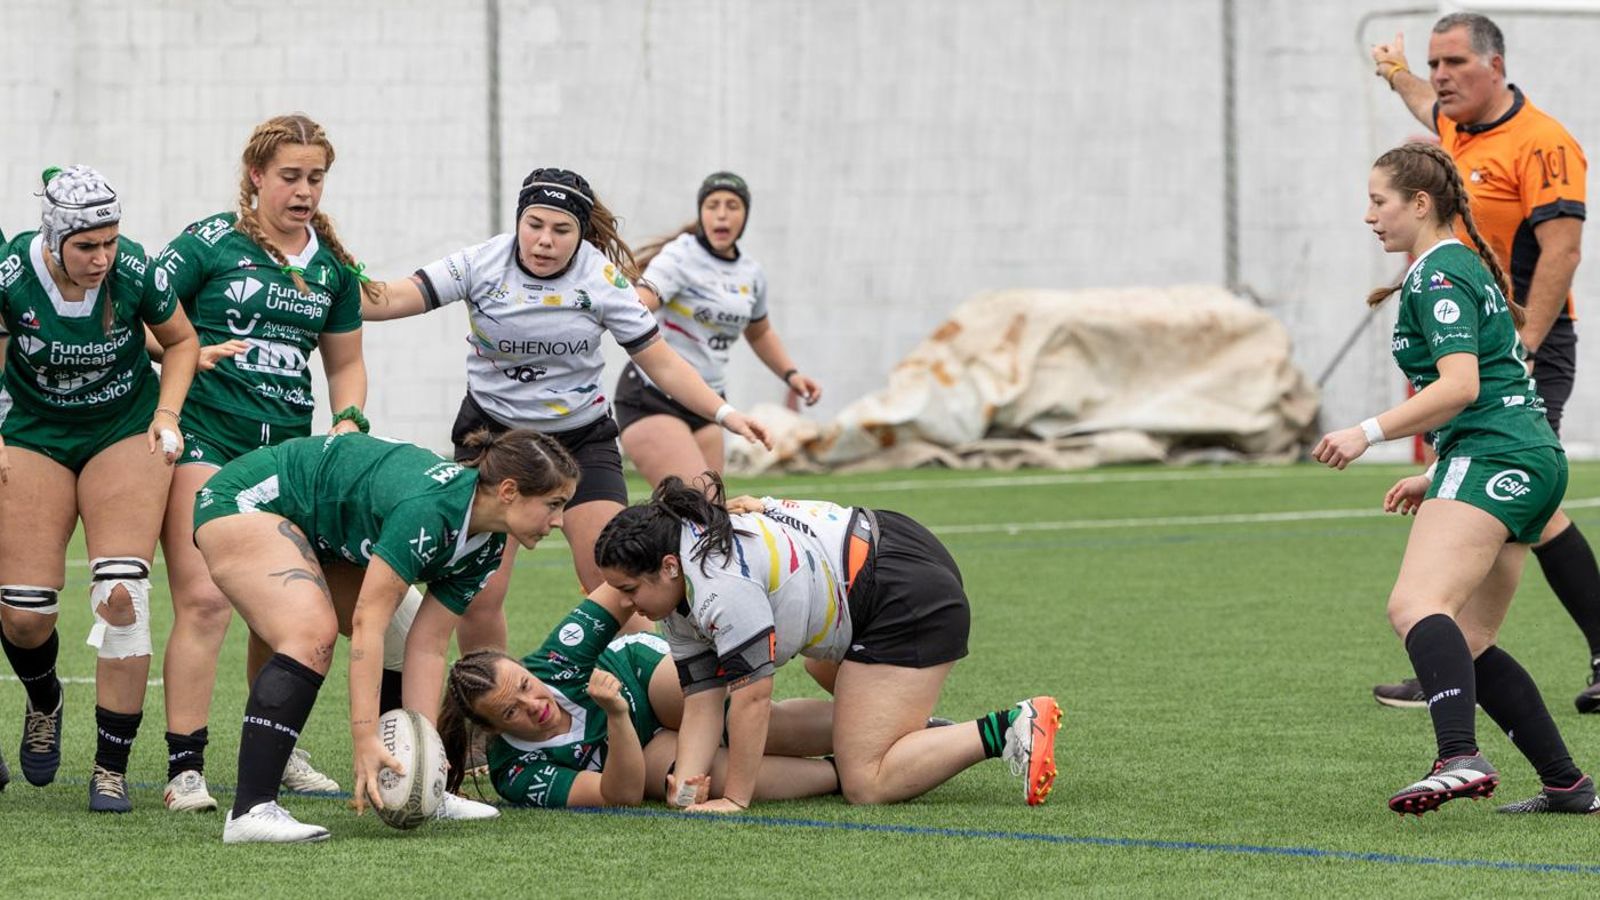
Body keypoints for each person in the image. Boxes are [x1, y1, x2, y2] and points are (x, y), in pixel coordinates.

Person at [364, 167, 770, 655]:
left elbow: (660, 360)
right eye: (534, 224)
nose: (544, 240)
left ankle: (646, 686)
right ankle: (488, 695)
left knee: (619, 580)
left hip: (580, 438)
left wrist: (725, 413)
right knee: (478, 595)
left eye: (561, 230)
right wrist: (328, 281)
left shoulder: (601, 279)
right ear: (519, 221)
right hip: (494, 439)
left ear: (580, 235)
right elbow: (389, 299)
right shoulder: (481, 262)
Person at [1314, 142, 1596, 815]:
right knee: (1467, 641)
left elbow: (1462, 385)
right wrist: (1438, 470)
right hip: (1524, 456)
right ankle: (1567, 784)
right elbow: (1494, 383)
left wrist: (1366, 432)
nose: (1369, 216)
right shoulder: (1456, 265)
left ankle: (1458, 756)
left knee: (1414, 606)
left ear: (1420, 203)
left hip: (1497, 456)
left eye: (1378, 201)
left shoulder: (1437, 275)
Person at [1369, 12, 1600, 713]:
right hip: (1484, 341)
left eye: (1454, 64)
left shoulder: (1543, 142)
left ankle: (1451, 648)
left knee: (1521, 493)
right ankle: (1451, 649)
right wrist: (1395, 73)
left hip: (1522, 345)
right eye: (1434, 64)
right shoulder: (1453, 127)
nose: (1439, 77)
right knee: (1524, 499)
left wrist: (1523, 350)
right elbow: (1424, 102)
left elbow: (1562, 250)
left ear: (1495, 66)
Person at [147, 113, 376, 813]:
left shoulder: (330, 268)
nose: (304, 191)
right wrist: (183, 352)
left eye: (316, 178)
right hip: (207, 439)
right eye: (290, 177)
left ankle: (277, 750)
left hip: (284, 459)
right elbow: (140, 314)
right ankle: (185, 768)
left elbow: (347, 365)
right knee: (205, 599)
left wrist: (348, 418)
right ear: (256, 176)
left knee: (280, 611)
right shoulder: (211, 241)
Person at [194, 427, 578, 842]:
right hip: (248, 499)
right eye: (553, 504)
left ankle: (419, 785)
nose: (558, 521)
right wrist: (364, 738)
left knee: (405, 633)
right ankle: (250, 809)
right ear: (508, 491)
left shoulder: (489, 544)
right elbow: (367, 625)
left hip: (320, 530)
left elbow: (428, 645)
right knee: (311, 634)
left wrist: (428, 762)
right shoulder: (430, 508)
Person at [593, 475, 1061, 811]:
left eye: (630, 590)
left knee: (866, 783)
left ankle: (1010, 726)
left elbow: (752, 700)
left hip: (904, 592)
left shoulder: (721, 588)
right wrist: (687, 785)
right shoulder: (679, 580)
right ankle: (908, 733)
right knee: (819, 666)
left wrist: (735, 798)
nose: (627, 606)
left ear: (669, 567)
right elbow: (702, 698)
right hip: (886, 549)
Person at [0, 166, 199, 811]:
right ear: (53, 238)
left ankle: (109, 768)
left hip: (121, 428)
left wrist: (167, 414)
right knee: (24, 614)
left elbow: (182, 342)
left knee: (122, 596)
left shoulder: (134, 268)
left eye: (110, 241)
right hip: (34, 431)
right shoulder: (11, 273)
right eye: (87, 246)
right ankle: (45, 700)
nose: (102, 257)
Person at [439, 589, 840, 808]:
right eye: (511, 711)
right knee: (703, 776)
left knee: (738, 721)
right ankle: (840, 772)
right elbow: (619, 796)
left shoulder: (556, 658)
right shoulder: (514, 772)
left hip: (641, 679)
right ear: (492, 729)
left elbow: (618, 588)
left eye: (526, 685)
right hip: (635, 750)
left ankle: (862, 726)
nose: (535, 705)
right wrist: (616, 715)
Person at [618, 172, 821, 486]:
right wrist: (618, 304)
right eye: (713, 205)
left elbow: (760, 332)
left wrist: (791, 374)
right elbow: (642, 302)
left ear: (745, 216)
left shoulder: (751, 273)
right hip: (652, 396)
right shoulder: (679, 256)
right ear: (701, 213)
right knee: (697, 500)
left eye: (732, 206)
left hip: (708, 401)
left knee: (711, 509)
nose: (722, 214)